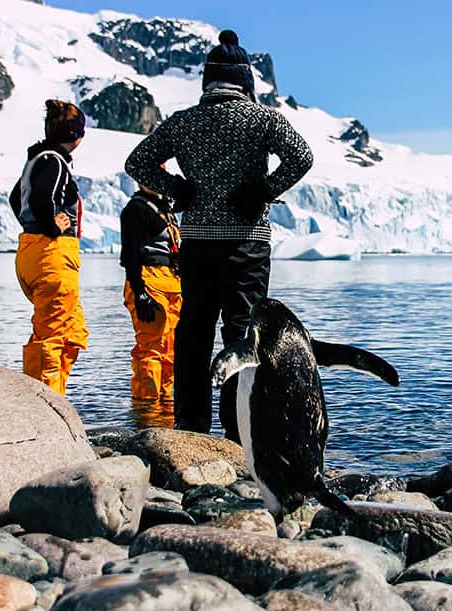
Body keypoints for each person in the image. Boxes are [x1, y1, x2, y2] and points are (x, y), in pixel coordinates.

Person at [124, 29, 313, 440]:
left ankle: (190, 425)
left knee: (193, 330)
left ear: (207, 80)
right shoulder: (263, 119)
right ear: (246, 81)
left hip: (196, 243)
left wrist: (178, 188)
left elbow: (138, 162)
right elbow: (302, 157)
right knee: (242, 332)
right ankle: (237, 428)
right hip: (247, 242)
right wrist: (263, 189)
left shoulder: (184, 123)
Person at [10, 99, 88, 395]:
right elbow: (44, 197)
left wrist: (30, 224)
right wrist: (53, 225)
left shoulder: (37, 160)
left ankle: (56, 393)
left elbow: (15, 198)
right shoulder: (53, 161)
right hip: (52, 254)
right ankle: (45, 404)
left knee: (72, 330)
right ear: (75, 134)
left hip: (36, 251)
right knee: (53, 334)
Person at [120, 183, 182, 427]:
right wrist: (139, 292)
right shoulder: (136, 209)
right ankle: (146, 412)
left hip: (171, 281)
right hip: (148, 279)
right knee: (150, 347)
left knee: (170, 350)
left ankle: (165, 409)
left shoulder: (165, 209)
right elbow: (130, 253)